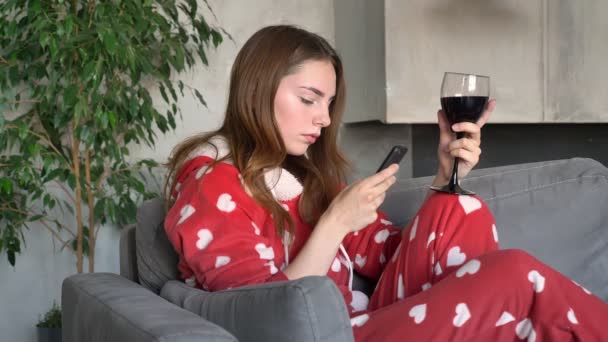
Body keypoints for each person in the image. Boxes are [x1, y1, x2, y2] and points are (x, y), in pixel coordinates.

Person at [163, 25, 608, 341]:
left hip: (377, 321)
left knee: (460, 207)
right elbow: (262, 314)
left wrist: (445, 174)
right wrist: (334, 224)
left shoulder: (307, 181)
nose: (323, 118)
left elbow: (391, 255)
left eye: (330, 103)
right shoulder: (212, 186)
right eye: (308, 99)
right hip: (336, 336)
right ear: (257, 92)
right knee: (514, 274)